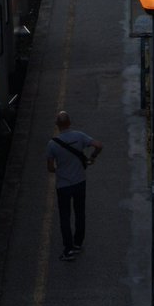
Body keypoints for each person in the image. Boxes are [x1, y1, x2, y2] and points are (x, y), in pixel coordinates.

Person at [46, 111, 103, 261]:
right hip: (80, 182)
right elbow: (98, 145)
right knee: (79, 212)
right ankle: (78, 243)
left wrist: (60, 170)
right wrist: (92, 157)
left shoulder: (52, 144)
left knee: (65, 216)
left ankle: (68, 249)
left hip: (63, 185)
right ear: (70, 123)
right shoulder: (79, 136)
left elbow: (50, 168)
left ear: (57, 125)